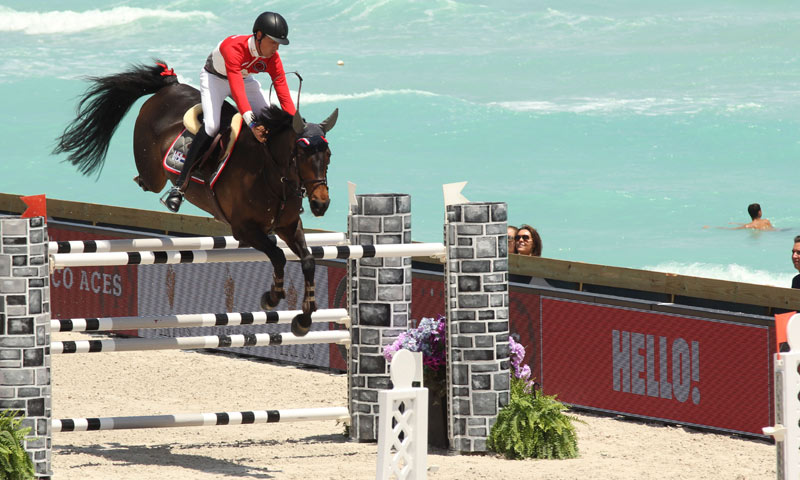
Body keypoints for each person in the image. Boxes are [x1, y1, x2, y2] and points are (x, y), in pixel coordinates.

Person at [162, 11, 297, 213]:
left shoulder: (272, 57)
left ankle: (278, 188)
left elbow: (282, 88)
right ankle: (179, 187)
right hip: (214, 79)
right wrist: (252, 124)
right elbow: (236, 90)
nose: (276, 48)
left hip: (244, 80)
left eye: (279, 44)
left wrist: (294, 122)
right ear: (258, 36)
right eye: (274, 42)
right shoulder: (233, 47)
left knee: (273, 122)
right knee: (211, 126)